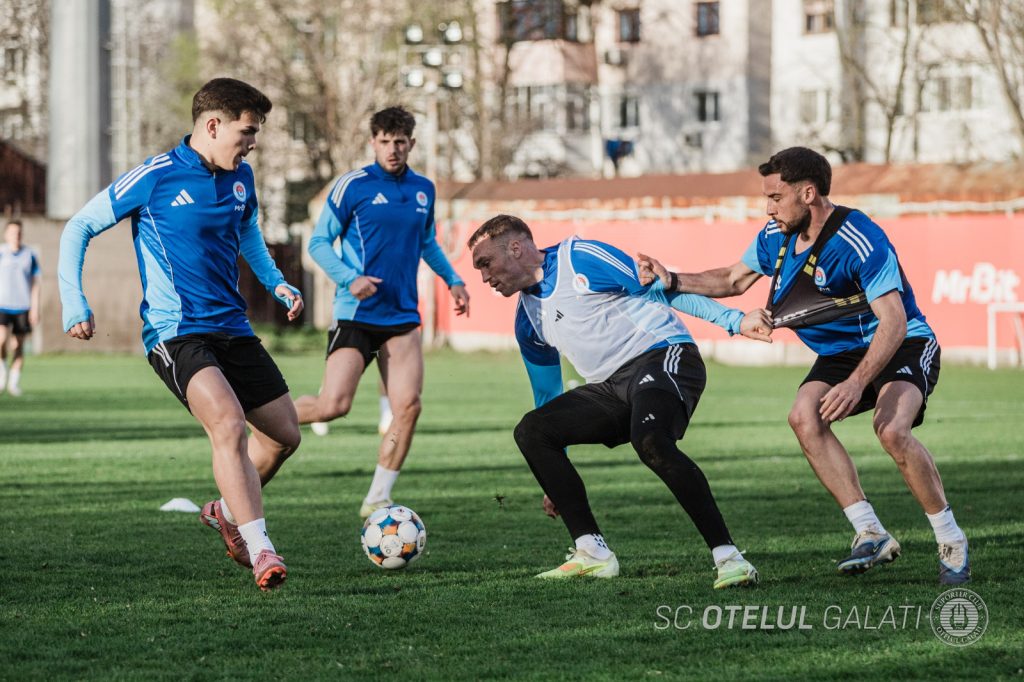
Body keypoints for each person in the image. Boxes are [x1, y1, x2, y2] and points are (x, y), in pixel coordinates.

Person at [637, 146, 969, 585]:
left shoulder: (859, 237)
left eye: (776, 197)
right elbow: (732, 280)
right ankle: (870, 532)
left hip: (904, 343)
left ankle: (951, 541)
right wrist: (673, 279)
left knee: (892, 429)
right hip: (840, 355)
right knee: (803, 417)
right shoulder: (775, 236)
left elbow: (894, 320)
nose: (768, 208)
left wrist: (855, 383)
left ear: (808, 193)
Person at [59, 78, 304, 591]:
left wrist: (277, 283)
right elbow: (78, 226)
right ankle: (261, 550)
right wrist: (74, 301)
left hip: (233, 329)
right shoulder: (156, 176)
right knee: (229, 425)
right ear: (212, 125)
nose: (253, 142)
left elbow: (247, 235)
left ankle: (226, 512)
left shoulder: (243, 179)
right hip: (176, 334)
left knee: (284, 435)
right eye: (247, 131)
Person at [468, 214, 771, 588]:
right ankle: (591, 553)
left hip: (663, 355)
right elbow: (547, 396)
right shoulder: (527, 320)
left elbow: (662, 288)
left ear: (515, 247)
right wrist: (553, 475)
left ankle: (730, 558)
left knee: (651, 441)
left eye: (486, 264)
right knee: (533, 429)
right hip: (609, 387)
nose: (484, 278)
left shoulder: (579, 258)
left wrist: (733, 321)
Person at [294, 106, 469, 518]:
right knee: (333, 405)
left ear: (411, 143)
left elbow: (427, 244)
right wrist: (350, 277)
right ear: (373, 142)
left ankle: (377, 496)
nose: (393, 149)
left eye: (401, 142)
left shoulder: (423, 189)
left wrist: (454, 280)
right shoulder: (352, 186)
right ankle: (260, 417)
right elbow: (319, 243)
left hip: (402, 317)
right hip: (356, 312)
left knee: (408, 406)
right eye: (386, 141)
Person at [0, 220, 41, 397]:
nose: (15, 236)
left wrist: (35, 308)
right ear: (5, 234)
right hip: (2, 305)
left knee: (18, 345)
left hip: (22, 306)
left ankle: (14, 384)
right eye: (12, 232)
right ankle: (2, 371)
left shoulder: (29, 255)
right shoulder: (1, 253)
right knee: (1, 340)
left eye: (18, 232)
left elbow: (35, 283)